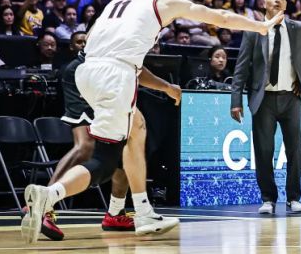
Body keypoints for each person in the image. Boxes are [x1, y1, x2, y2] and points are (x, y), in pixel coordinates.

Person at [22, 0, 282, 244]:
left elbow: (120, 57)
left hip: (87, 73)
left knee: (137, 128)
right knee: (105, 161)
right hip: (114, 77)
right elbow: (218, 16)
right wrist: (261, 26)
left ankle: (143, 211)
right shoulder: (163, 3)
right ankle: (49, 196)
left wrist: (166, 87)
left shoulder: (116, 4)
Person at [24, 46, 183, 241]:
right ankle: (42, 206)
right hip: (92, 71)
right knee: (86, 145)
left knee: (126, 141)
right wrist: (167, 87)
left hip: (110, 75)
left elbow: (135, 67)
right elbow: (138, 69)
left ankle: (115, 212)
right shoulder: (135, 30)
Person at [230, 0, 301, 216]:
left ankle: (293, 198)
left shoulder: (297, 28)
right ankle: (268, 199)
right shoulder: (254, 30)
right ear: (264, 3)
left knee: (295, 151)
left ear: (286, 4)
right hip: (264, 100)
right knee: (264, 151)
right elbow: (241, 67)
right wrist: (235, 100)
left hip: (291, 98)